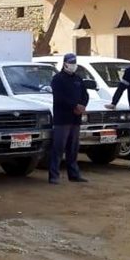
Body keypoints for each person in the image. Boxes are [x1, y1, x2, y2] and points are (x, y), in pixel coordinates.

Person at [49, 53, 89, 184]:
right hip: (62, 119)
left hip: (76, 119)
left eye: (74, 63)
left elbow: (85, 95)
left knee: (73, 148)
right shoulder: (57, 79)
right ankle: (54, 175)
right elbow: (59, 98)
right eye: (70, 63)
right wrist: (74, 106)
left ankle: (74, 174)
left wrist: (82, 105)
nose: (73, 65)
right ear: (65, 63)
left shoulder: (78, 79)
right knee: (58, 148)